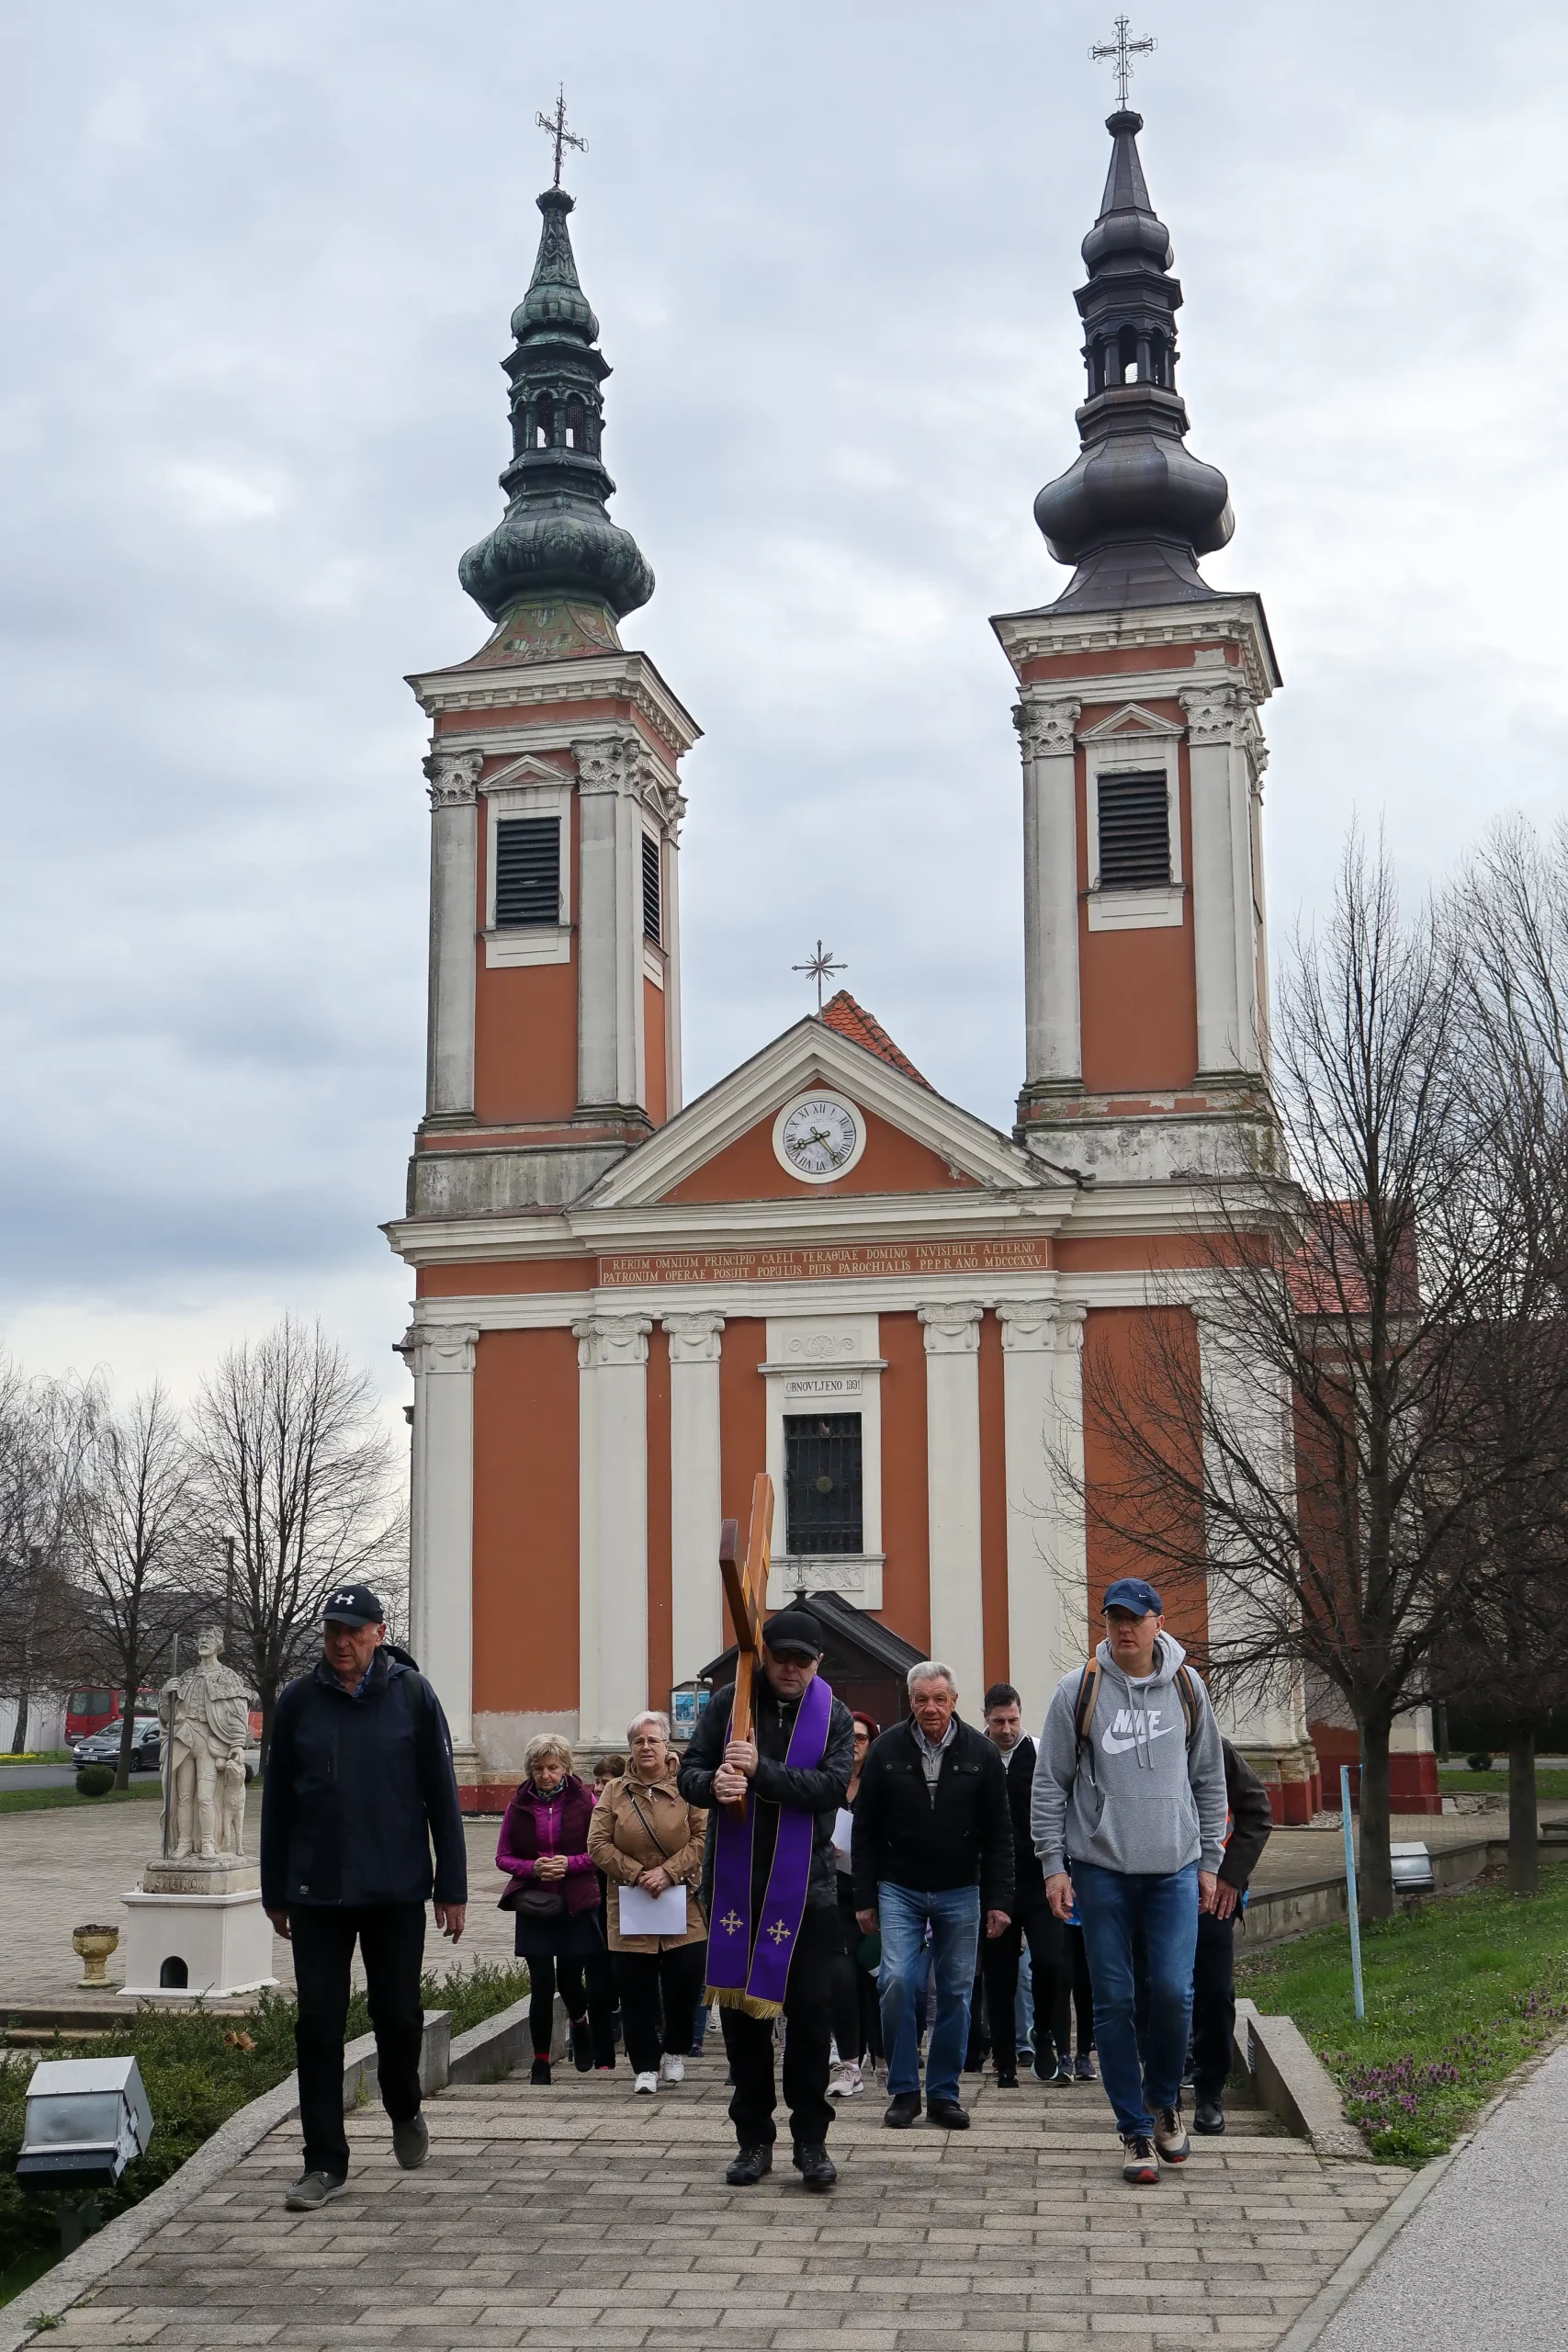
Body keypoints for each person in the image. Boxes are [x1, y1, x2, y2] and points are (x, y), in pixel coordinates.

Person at [261, 1582, 468, 2212]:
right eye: (332, 1631)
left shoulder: (411, 1695)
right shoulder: (298, 1702)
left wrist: (451, 1886)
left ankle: (403, 2103)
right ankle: (323, 2163)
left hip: (395, 1888)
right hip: (317, 1892)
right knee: (317, 2027)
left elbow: (442, 1796)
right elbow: (277, 1805)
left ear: (378, 1633)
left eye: (354, 1631)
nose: (342, 1643)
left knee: (397, 2018)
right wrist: (276, 1892)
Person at [1032, 1577, 1227, 2187]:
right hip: (1100, 1870)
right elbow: (1048, 1786)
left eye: (1134, 1618)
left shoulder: (1189, 1689)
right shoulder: (1077, 1691)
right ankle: (1134, 2130)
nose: (1123, 1628)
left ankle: (1163, 2100)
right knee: (1112, 2002)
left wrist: (1209, 1863)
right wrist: (1053, 1865)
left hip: (1171, 1868)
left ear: (1157, 1623)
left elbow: (1209, 1780)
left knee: (1172, 1992)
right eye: (1114, 1618)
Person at [679, 1606, 853, 2191]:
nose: (790, 1669)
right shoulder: (730, 1702)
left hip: (810, 1892)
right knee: (741, 2023)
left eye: (803, 1661)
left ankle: (812, 2140)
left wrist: (762, 1772)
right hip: (736, 1887)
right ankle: (753, 2139)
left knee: (809, 2017)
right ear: (764, 1653)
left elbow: (831, 1787)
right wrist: (714, 1785)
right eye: (781, 1657)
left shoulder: (833, 1712)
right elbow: (691, 1773)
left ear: (818, 1663)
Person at [852, 1660, 1013, 2132]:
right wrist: (864, 1896)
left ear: (955, 1701)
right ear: (910, 1701)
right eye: (921, 1699)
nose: (931, 1708)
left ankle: (943, 2093)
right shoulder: (884, 1751)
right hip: (898, 1888)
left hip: (962, 1889)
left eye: (939, 1698)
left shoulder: (981, 1754)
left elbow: (1000, 1834)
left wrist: (999, 1898)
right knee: (897, 1982)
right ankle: (904, 2089)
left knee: (957, 1993)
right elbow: (863, 1830)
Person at [588, 1710, 707, 2093]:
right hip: (630, 1899)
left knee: (686, 1980)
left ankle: (675, 2048)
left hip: (682, 1897)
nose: (645, 1747)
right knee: (635, 1987)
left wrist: (669, 1872)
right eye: (638, 1741)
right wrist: (637, 1873)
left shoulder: (688, 1787)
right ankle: (644, 2067)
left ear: (666, 1745)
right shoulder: (613, 1791)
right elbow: (596, 1843)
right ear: (630, 1749)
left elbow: (703, 1838)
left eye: (652, 1740)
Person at [495, 1736, 609, 2082]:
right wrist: (533, 1868)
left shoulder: (585, 1802)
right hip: (535, 1905)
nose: (545, 1775)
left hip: (575, 1903)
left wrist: (569, 1863)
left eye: (553, 1767)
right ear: (530, 1769)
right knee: (541, 1983)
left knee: (571, 1981)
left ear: (566, 1768)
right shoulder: (518, 1804)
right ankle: (540, 2062)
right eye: (538, 1768)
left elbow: (601, 1851)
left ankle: (579, 2022)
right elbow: (503, 1856)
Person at [977, 1681, 1065, 2090]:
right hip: (994, 1884)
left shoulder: (1041, 1751)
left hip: (1039, 1878)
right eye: (999, 1722)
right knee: (999, 1974)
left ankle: (1043, 2031)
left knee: (1050, 1962)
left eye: (1013, 1720)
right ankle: (1005, 2059)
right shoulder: (975, 1756)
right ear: (986, 1720)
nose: (1007, 1729)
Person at [1190, 1739, 1272, 2133]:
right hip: (1152, 1890)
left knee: (1215, 1992)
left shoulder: (1217, 1750)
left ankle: (1209, 2092)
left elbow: (1256, 1813)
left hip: (1212, 1896)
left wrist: (1231, 1878)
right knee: (1156, 1992)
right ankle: (1161, 2087)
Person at [827, 1711, 883, 2098]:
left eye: (861, 1739)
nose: (854, 1745)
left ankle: (882, 2059)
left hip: (874, 1895)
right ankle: (848, 2062)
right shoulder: (826, 1784)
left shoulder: (880, 1785)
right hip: (830, 1896)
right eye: (849, 1738)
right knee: (841, 1978)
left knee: (877, 1981)